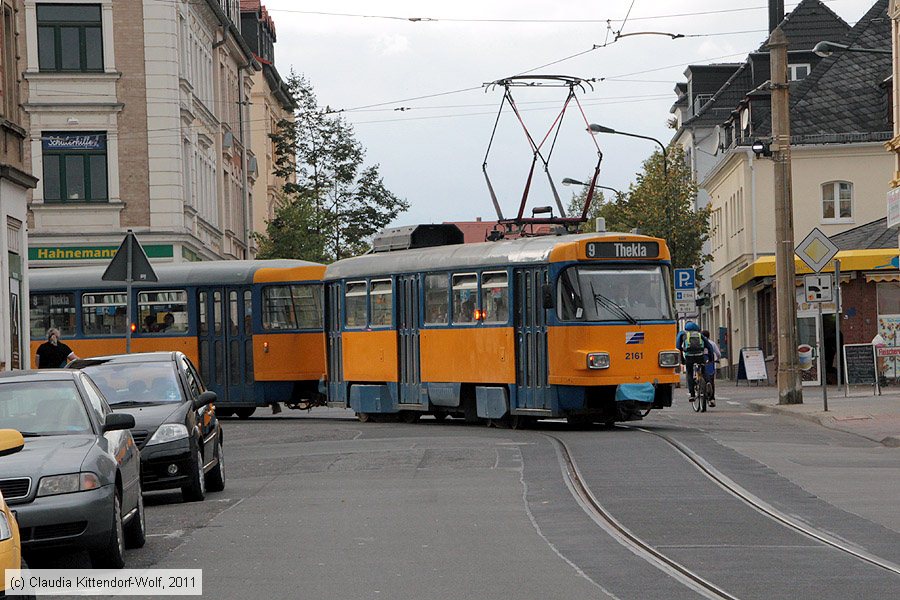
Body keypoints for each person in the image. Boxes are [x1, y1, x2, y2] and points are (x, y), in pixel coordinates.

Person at [675, 322, 716, 402]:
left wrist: (682, 360)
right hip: (700, 356)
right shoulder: (700, 335)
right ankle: (707, 382)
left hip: (689, 357)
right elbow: (709, 347)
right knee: (704, 370)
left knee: (689, 373)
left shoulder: (683, 334)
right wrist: (710, 359)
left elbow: (678, 347)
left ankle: (692, 394)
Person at [701, 330, 722, 407]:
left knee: (699, 374)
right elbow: (718, 354)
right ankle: (712, 399)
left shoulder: (698, 343)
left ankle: (696, 383)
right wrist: (718, 359)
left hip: (700, 361)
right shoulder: (712, 343)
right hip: (710, 362)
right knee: (711, 380)